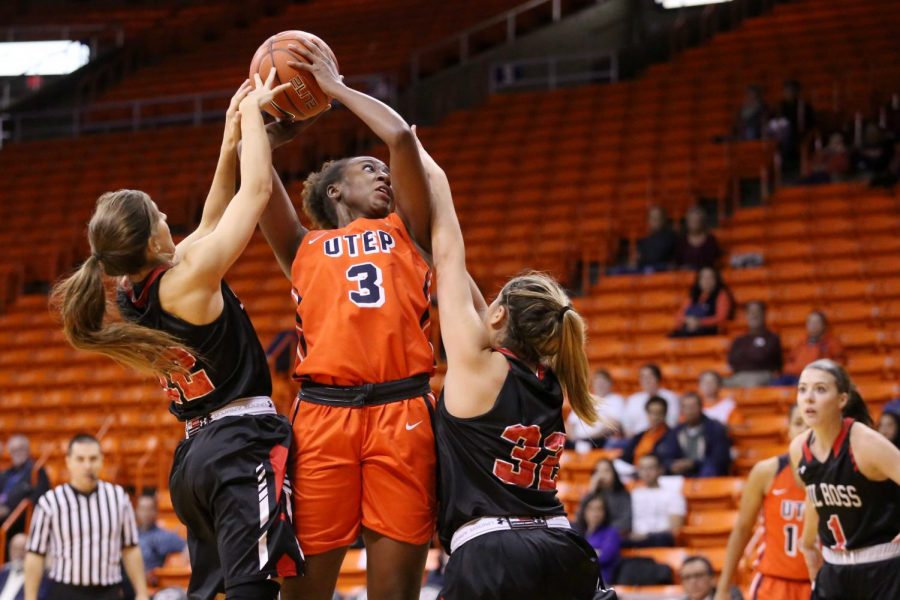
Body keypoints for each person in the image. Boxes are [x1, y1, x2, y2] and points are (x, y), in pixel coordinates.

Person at [49, 74, 304, 600]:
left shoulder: (132, 289)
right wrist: (254, 114)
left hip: (194, 459)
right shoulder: (186, 278)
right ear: (150, 240)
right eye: (160, 215)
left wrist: (231, 140)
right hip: (238, 446)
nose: (170, 216)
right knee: (255, 589)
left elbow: (212, 218)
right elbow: (254, 194)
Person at [256, 42, 439, 600]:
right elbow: (257, 187)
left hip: (402, 409)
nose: (383, 175)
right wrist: (258, 130)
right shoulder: (302, 246)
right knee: (303, 594)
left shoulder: (408, 229)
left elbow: (402, 138)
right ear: (335, 189)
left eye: (384, 172)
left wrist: (333, 89)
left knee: (395, 593)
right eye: (368, 169)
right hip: (323, 418)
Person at [422, 126, 601, 598]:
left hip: (497, 553)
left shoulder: (482, 369)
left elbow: (449, 254)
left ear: (498, 316)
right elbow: (471, 297)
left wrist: (420, 159)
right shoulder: (551, 381)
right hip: (563, 547)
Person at [790, 359, 900, 599]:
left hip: (884, 567)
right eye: (802, 389)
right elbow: (816, 493)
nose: (808, 397)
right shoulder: (799, 448)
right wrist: (807, 540)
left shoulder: (865, 443)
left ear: (842, 400)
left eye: (820, 389)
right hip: (834, 570)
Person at [24, 434, 147, 600]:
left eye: (93, 459)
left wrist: (142, 593)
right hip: (65, 591)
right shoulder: (50, 502)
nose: (87, 466)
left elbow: (130, 548)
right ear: (68, 461)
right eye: (80, 459)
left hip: (108, 591)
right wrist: (30, 597)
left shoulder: (118, 498)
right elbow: (35, 554)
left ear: (102, 460)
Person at [715, 404, 811, 600]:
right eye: (798, 423)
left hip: (820, 583)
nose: (804, 430)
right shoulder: (767, 471)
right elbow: (742, 529)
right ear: (788, 430)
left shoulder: (839, 476)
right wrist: (723, 587)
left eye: (810, 424)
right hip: (773, 583)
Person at [627, 453, 686, 547]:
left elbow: (675, 528)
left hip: (660, 539)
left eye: (650, 468)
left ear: (660, 470)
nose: (646, 472)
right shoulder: (633, 495)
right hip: (636, 539)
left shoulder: (673, 494)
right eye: (642, 468)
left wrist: (647, 536)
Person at [669, 392, 732, 478]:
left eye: (692, 407)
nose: (689, 411)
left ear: (701, 407)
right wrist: (672, 464)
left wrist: (693, 463)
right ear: (681, 410)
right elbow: (667, 454)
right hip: (682, 473)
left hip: (707, 472)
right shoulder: (676, 431)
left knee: (709, 469)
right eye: (685, 407)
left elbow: (720, 458)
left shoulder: (716, 428)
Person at [0, 435, 50, 541]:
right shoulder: (5, 474)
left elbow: (39, 498)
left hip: (19, 521)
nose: (17, 452)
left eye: (21, 448)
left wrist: (9, 509)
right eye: (14, 450)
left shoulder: (36, 471)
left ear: (28, 450)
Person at [778, 311, 846, 385]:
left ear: (824, 325)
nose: (813, 325)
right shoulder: (799, 343)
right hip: (795, 376)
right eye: (810, 322)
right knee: (775, 384)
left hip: (818, 378)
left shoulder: (832, 343)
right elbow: (788, 362)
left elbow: (838, 364)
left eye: (816, 322)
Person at [726, 301, 783, 388]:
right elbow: (732, 361)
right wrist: (754, 353)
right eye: (750, 312)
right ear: (746, 316)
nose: (754, 315)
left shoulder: (772, 338)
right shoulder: (739, 340)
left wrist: (747, 355)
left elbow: (765, 358)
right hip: (739, 376)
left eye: (757, 312)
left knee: (751, 384)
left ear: (764, 315)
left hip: (762, 375)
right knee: (717, 383)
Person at [566, 369, 624, 449]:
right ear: (593, 384)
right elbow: (570, 424)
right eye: (597, 381)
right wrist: (575, 440)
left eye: (603, 381)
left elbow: (614, 424)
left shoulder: (616, 400)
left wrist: (591, 438)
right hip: (577, 440)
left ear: (610, 383)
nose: (600, 384)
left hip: (600, 440)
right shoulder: (583, 401)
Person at [670, 267, 733, 338]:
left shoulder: (721, 295)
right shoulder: (693, 295)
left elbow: (721, 318)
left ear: (716, 280)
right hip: (690, 328)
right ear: (699, 280)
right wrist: (688, 320)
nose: (706, 280)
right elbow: (680, 315)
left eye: (710, 277)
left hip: (710, 331)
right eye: (703, 278)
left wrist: (700, 323)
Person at [575, 494, 621, 585]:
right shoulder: (577, 532)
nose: (595, 513)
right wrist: (595, 552)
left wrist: (581, 555)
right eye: (591, 509)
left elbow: (605, 557)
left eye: (599, 509)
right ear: (584, 511)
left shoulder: (611, 533)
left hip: (602, 582)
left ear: (605, 512)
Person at [622, 397, 681, 469]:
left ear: (665, 414)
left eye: (659, 413)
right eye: (651, 413)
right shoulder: (639, 436)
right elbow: (625, 456)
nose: (655, 417)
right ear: (647, 414)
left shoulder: (672, 437)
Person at [622, 363, 680, 436]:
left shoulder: (670, 397)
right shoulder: (633, 399)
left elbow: (672, 422)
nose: (646, 380)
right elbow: (626, 423)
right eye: (643, 377)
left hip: (661, 437)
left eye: (650, 376)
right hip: (636, 438)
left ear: (658, 378)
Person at [135, 494, 186, 575]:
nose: (146, 513)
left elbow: (187, 546)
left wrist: (184, 561)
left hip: (151, 582)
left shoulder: (164, 536)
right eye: (142, 509)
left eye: (149, 509)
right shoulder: (130, 535)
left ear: (156, 511)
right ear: (137, 511)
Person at [584, 459, 632, 536]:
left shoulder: (623, 494)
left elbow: (626, 521)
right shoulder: (593, 494)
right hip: (593, 533)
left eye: (606, 471)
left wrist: (606, 532)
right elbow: (581, 517)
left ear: (614, 473)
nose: (602, 475)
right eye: (598, 471)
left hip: (613, 535)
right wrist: (592, 489)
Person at [675, 206, 722, 271]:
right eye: (691, 220)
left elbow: (714, 261)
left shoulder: (710, 240)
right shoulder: (681, 241)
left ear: (702, 221)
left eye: (696, 220)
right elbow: (678, 261)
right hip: (685, 276)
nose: (694, 223)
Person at [635, 206, 678, 272]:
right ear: (648, 220)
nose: (655, 220)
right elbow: (639, 262)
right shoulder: (643, 242)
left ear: (664, 219)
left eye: (658, 218)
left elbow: (660, 256)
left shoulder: (672, 238)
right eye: (652, 218)